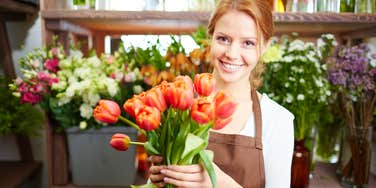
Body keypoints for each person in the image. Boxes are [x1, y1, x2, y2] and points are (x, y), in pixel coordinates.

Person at [149, 0, 294, 187]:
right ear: (210, 37)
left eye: (248, 43)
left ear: (265, 45)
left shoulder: (277, 120)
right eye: (223, 39)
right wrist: (157, 179)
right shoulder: (178, 103)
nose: (232, 54)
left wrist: (221, 184)